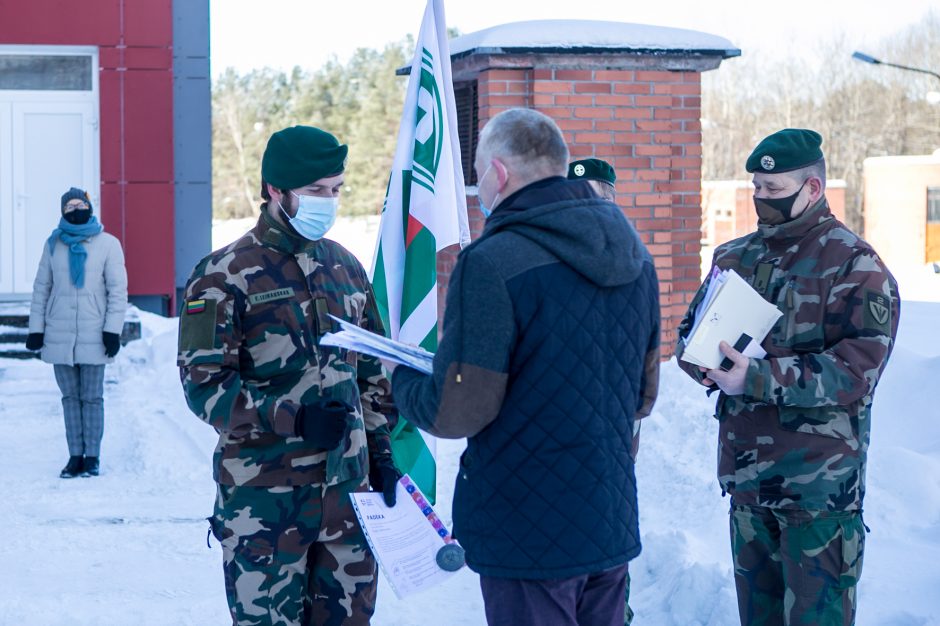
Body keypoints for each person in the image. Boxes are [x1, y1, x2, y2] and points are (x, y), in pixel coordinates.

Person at [385, 108, 661, 626]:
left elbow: (459, 411)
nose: (478, 183)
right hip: (608, 515)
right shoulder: (635, 253)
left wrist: (400, 378)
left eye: (478, 170)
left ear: (500, 173)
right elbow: (644, 395)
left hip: (527, 526)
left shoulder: (493, 262)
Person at [675, 129, 900, 625]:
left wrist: (754, 377)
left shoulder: (856, 266)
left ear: (813, 189)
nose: (760, 198)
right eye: (756, 187)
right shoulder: (734, 257)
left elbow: (857, 371)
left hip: (817, 496)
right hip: (748, 487)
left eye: (774, 190)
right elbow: (689, 338)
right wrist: (705, 365)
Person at [177, 125, 399, 625]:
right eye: (316, 191)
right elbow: (206, 388)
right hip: (266, 501)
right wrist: (295, 420)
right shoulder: (222, 274)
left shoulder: (346, 268)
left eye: (337, 190)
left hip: (348, 500)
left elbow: (370, 374)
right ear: (276, 190)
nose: (330, 201)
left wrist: (381, 451)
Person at [567, 156, 642, 626]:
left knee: (606, 545)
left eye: (597, 196)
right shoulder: (542, 257)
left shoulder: (630, 261)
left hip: (610, 429)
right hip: (554, 430)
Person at [26, 187, 127, 479]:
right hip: (59, 332)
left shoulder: (108, 244)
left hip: (95, 333)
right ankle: (75, 457)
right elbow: (41, 288)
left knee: (92, 397)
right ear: (62, 211)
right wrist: (36, 329)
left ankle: (92, 457)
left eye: (80, 204)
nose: (75, 209)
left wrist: (112, 330)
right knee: (70, 398)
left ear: (89, 207)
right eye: (69, 206)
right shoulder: (53, 244)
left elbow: (117, 291)